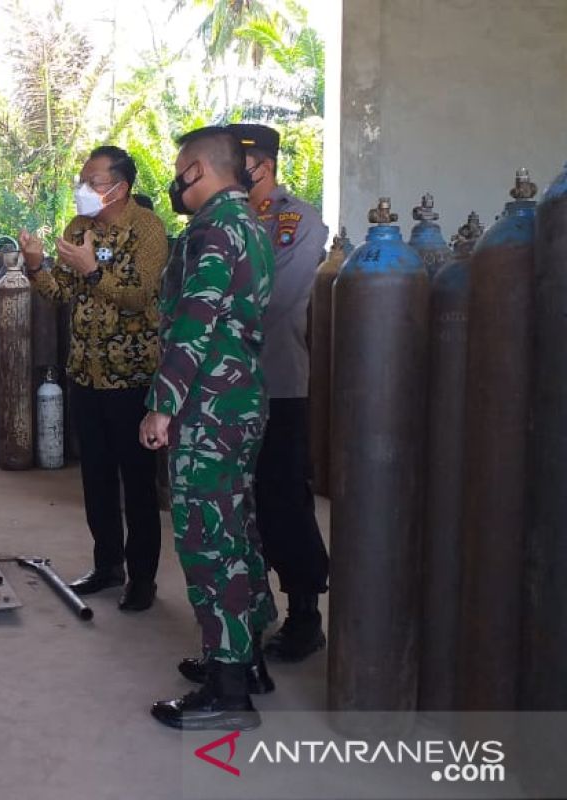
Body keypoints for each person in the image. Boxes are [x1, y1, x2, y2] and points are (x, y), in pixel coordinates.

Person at [140, 126, 276, 730]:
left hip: (209, 408)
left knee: (206, 540)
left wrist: (161, 404)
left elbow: (196, 319)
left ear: (195, 170)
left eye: (178, 172)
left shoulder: (215, 228)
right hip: (238, 400)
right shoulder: (249, 223)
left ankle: (227, 693)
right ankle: (244, 661)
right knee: (237, 531)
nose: (176, 183)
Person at [17, 145, 166, 611]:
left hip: (132, 377)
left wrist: (94, 270)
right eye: (81, 180)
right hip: (85, 372)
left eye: (93, 181)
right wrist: (37, 264)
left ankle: (142, 578)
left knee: (137, 482)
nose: (83, 189)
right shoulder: (79, 227)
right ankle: (107, 566)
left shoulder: (148, 230)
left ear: (120, 187)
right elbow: (60, 291)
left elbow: (139, 297)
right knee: (96, 477)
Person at [226, 122, 330, 662]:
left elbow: (281, 298)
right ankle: (247, 611)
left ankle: (306, 614)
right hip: (223, 389)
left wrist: (214, 317)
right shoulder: (220, 219)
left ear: (260, 165)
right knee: (236, 504)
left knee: (284, 499)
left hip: (276, 384)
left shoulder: (296, 220)